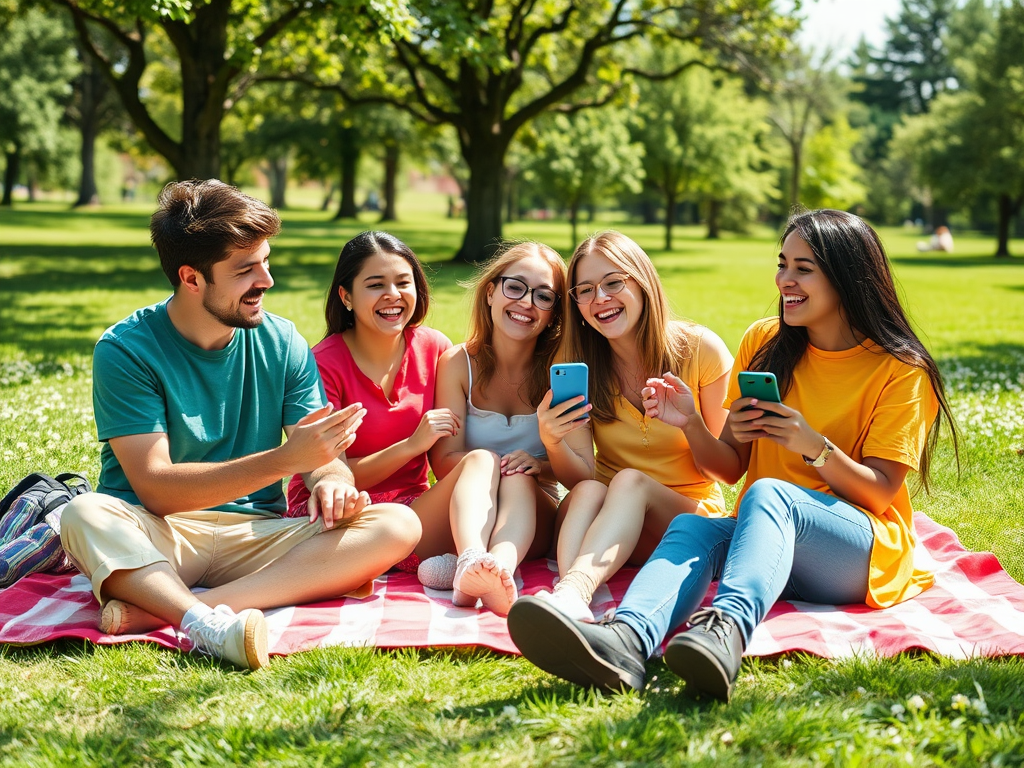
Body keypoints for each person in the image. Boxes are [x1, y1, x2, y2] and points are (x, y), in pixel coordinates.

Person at [507, 209, 958, 701]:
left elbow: (880, 492)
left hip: (859, 551)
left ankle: (724, 630)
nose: (785, 279)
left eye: (803, 268)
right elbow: (731, 466)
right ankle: (626, 640)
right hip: (768, 539)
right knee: (693, 527)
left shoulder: (901, 369)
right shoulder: (765, 342)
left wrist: (813, 446)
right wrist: (691, 424)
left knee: (768, 495)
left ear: (848, 277)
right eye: (782, 264)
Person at [60, 181, 420, 671]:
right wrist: (288, 460)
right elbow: (155, 489)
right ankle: (202, 623)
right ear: (192, 278)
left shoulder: (281, 340)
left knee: (397, 523)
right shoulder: (125, 350)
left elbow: (321, 457)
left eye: (266, 261)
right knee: (83, 514)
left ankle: (184, 611)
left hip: (257, 534)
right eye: (245, 269)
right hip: (162, 534)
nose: (266, 280)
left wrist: (333, 483)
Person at [530, 230, 732, 622]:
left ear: (642, 282)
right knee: (592, 488)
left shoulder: (700, 351)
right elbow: (581, 477)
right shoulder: (579, 364)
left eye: (613, 283)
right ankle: (571, 600)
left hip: (684, 522)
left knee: (630, 481)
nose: (600, 299)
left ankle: (573, 591)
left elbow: (725, 471)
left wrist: (690, 423)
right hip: (607, 523)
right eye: (584, 290)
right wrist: (553, 442)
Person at [419, 242, 592, 615]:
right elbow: (444, 460)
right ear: (492, 291)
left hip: (533, 518)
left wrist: (540, 461)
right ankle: (472, 562)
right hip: (465, 510)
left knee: (518, 476)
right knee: (483, 460)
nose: (526, 302)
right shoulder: (458, 363)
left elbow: (586, 474)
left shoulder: (560, 374)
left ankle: (496, 569)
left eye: (543, 296)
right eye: (515, 287)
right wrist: (492, 464)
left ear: (554, 314)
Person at [285, 231, 454, 564]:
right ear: (346, 297)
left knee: (484, 469)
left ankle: (469, 563)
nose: (393, 295)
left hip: (411, 508)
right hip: (338, 512)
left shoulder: (435, 348)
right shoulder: (323, 364)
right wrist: (411, 445)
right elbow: (332, 474)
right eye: (376, 285)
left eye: (403, 283)